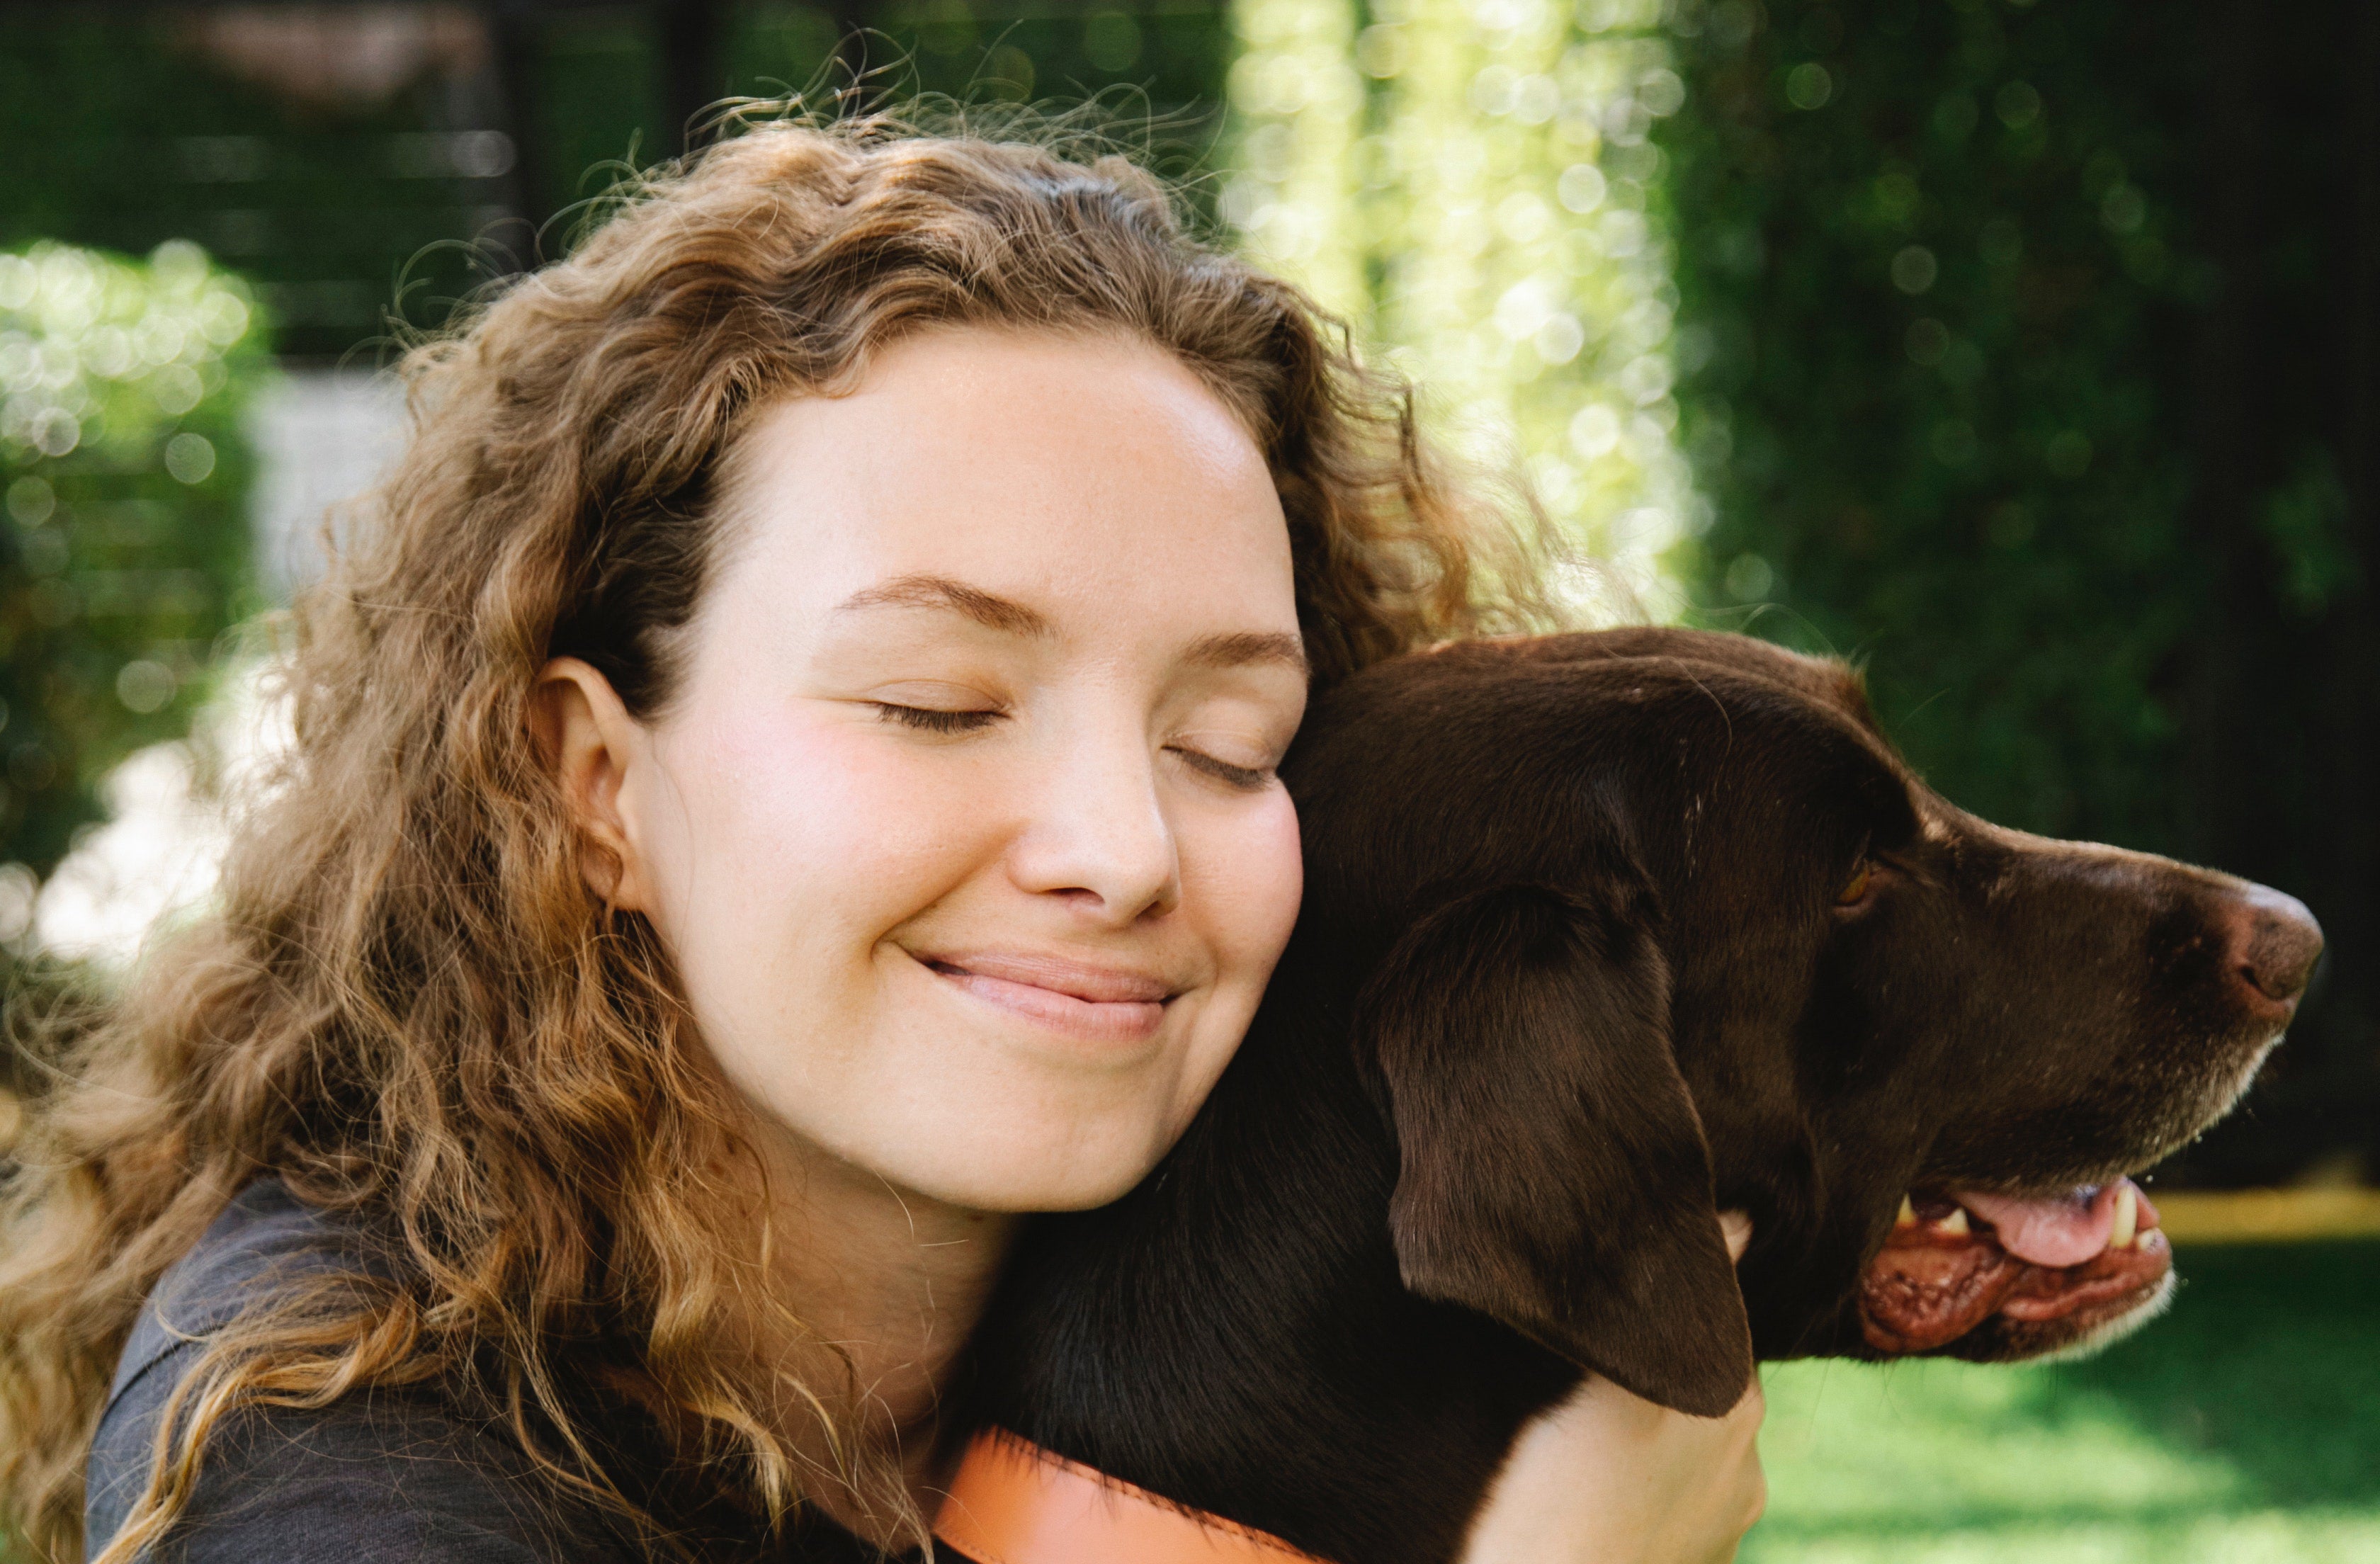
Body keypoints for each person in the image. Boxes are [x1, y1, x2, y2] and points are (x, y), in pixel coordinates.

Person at [0, 119, 1765, 1564]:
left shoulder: (1215, 1323)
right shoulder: (346, 1473)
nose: (1122, 847)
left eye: (1231, 745)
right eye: (937, 704)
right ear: (592, 780)